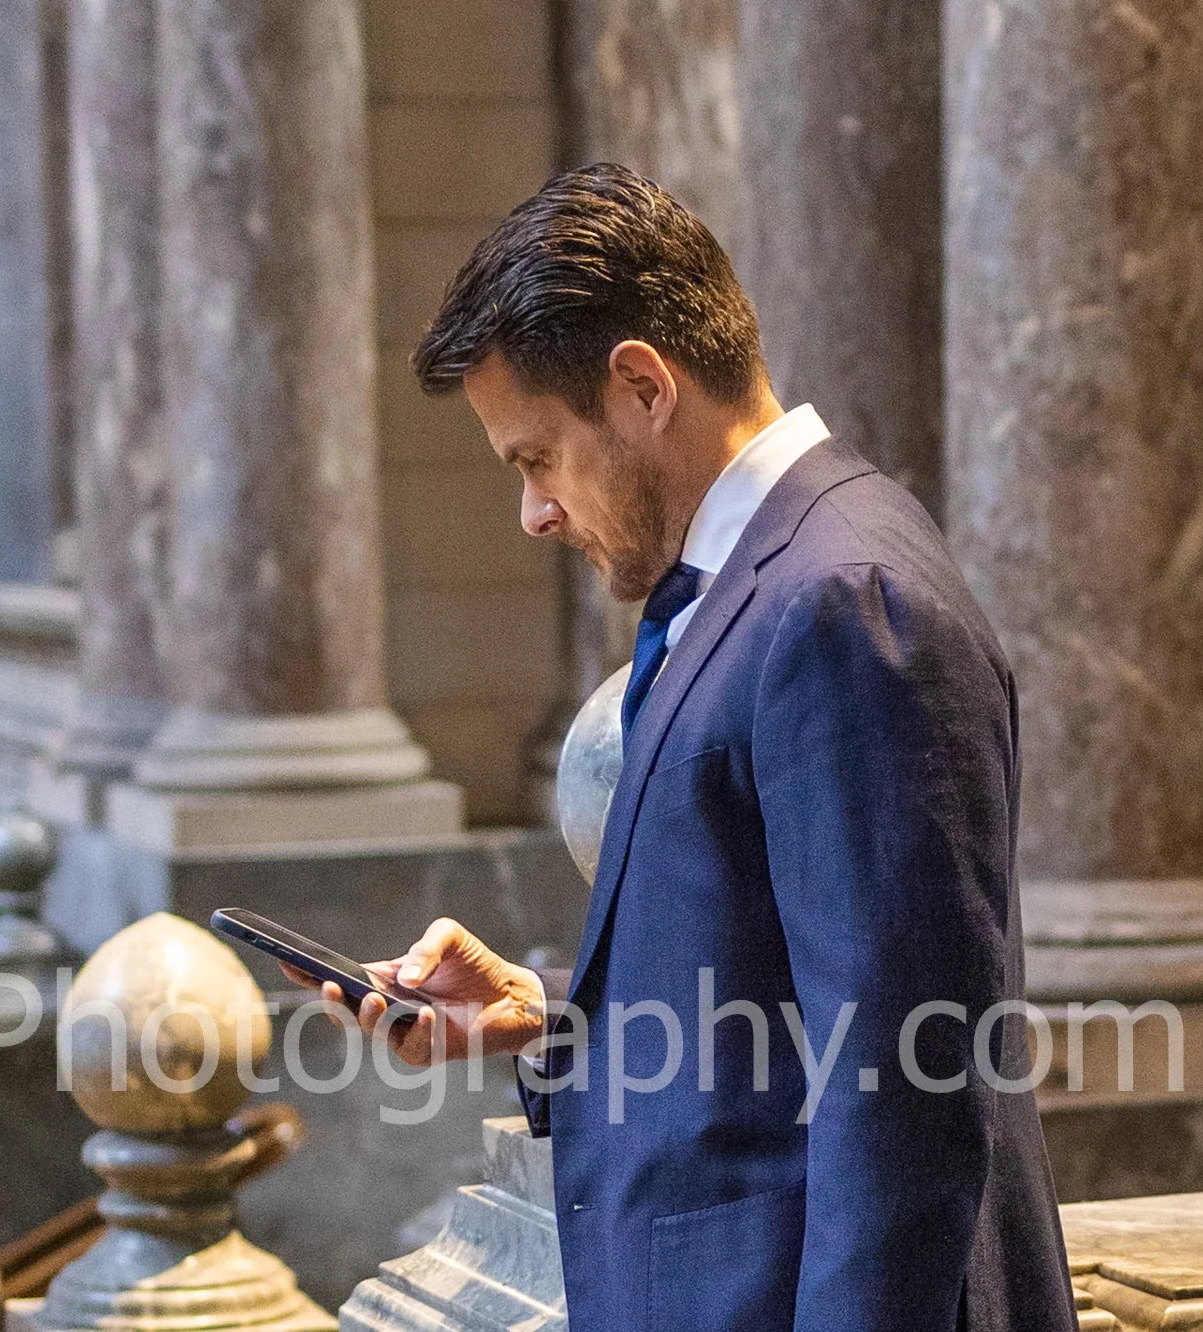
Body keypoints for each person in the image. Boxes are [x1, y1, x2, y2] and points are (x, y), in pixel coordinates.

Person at [293, 165, 1076, 1331]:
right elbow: (779, 984)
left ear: (640, 385)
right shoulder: (753, 583)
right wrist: (541, 1009)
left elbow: (902, 1086)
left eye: (534, 458)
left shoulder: (847, 601)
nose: (533, 513)